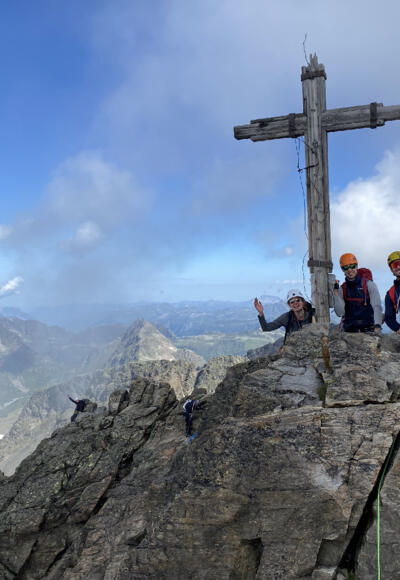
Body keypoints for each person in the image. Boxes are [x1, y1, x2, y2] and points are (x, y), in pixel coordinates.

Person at [332, 253, 382, 333]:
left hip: (369, 330)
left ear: (357, 266)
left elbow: (377, 306)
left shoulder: (369, 285)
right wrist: (336, 293)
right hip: (349, 331)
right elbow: (340, 312)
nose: (349, 270)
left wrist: (377, 325)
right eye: (345, 267)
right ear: (342, 270)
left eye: (352, 266)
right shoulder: (342, 288)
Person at [384, 251, 400, 334]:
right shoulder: (391, 293)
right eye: (395, 265)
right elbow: (389, 318)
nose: (398, 267)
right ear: (391, 270)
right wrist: (398, 328)